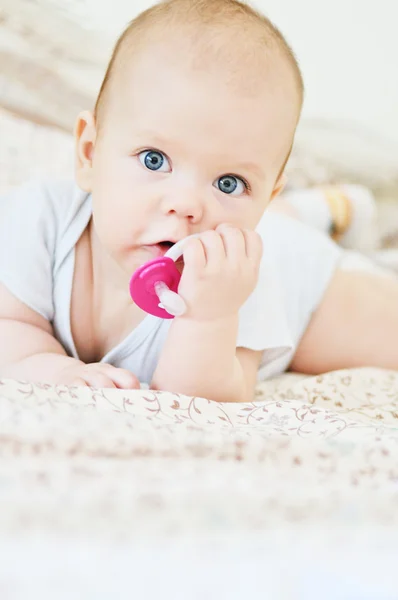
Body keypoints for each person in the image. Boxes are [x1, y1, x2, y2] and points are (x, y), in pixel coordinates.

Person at [0, 0, 397, 403]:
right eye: (154, 160)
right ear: (89, 151)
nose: (187, 204)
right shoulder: (39, 223)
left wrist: (209, 316)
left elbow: (205, 402)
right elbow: (8, 327)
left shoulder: (239, 283)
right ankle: (321, 209)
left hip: (302, 281)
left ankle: (317, 215)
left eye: (229, 183)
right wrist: (55, 369)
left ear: (263, 198)